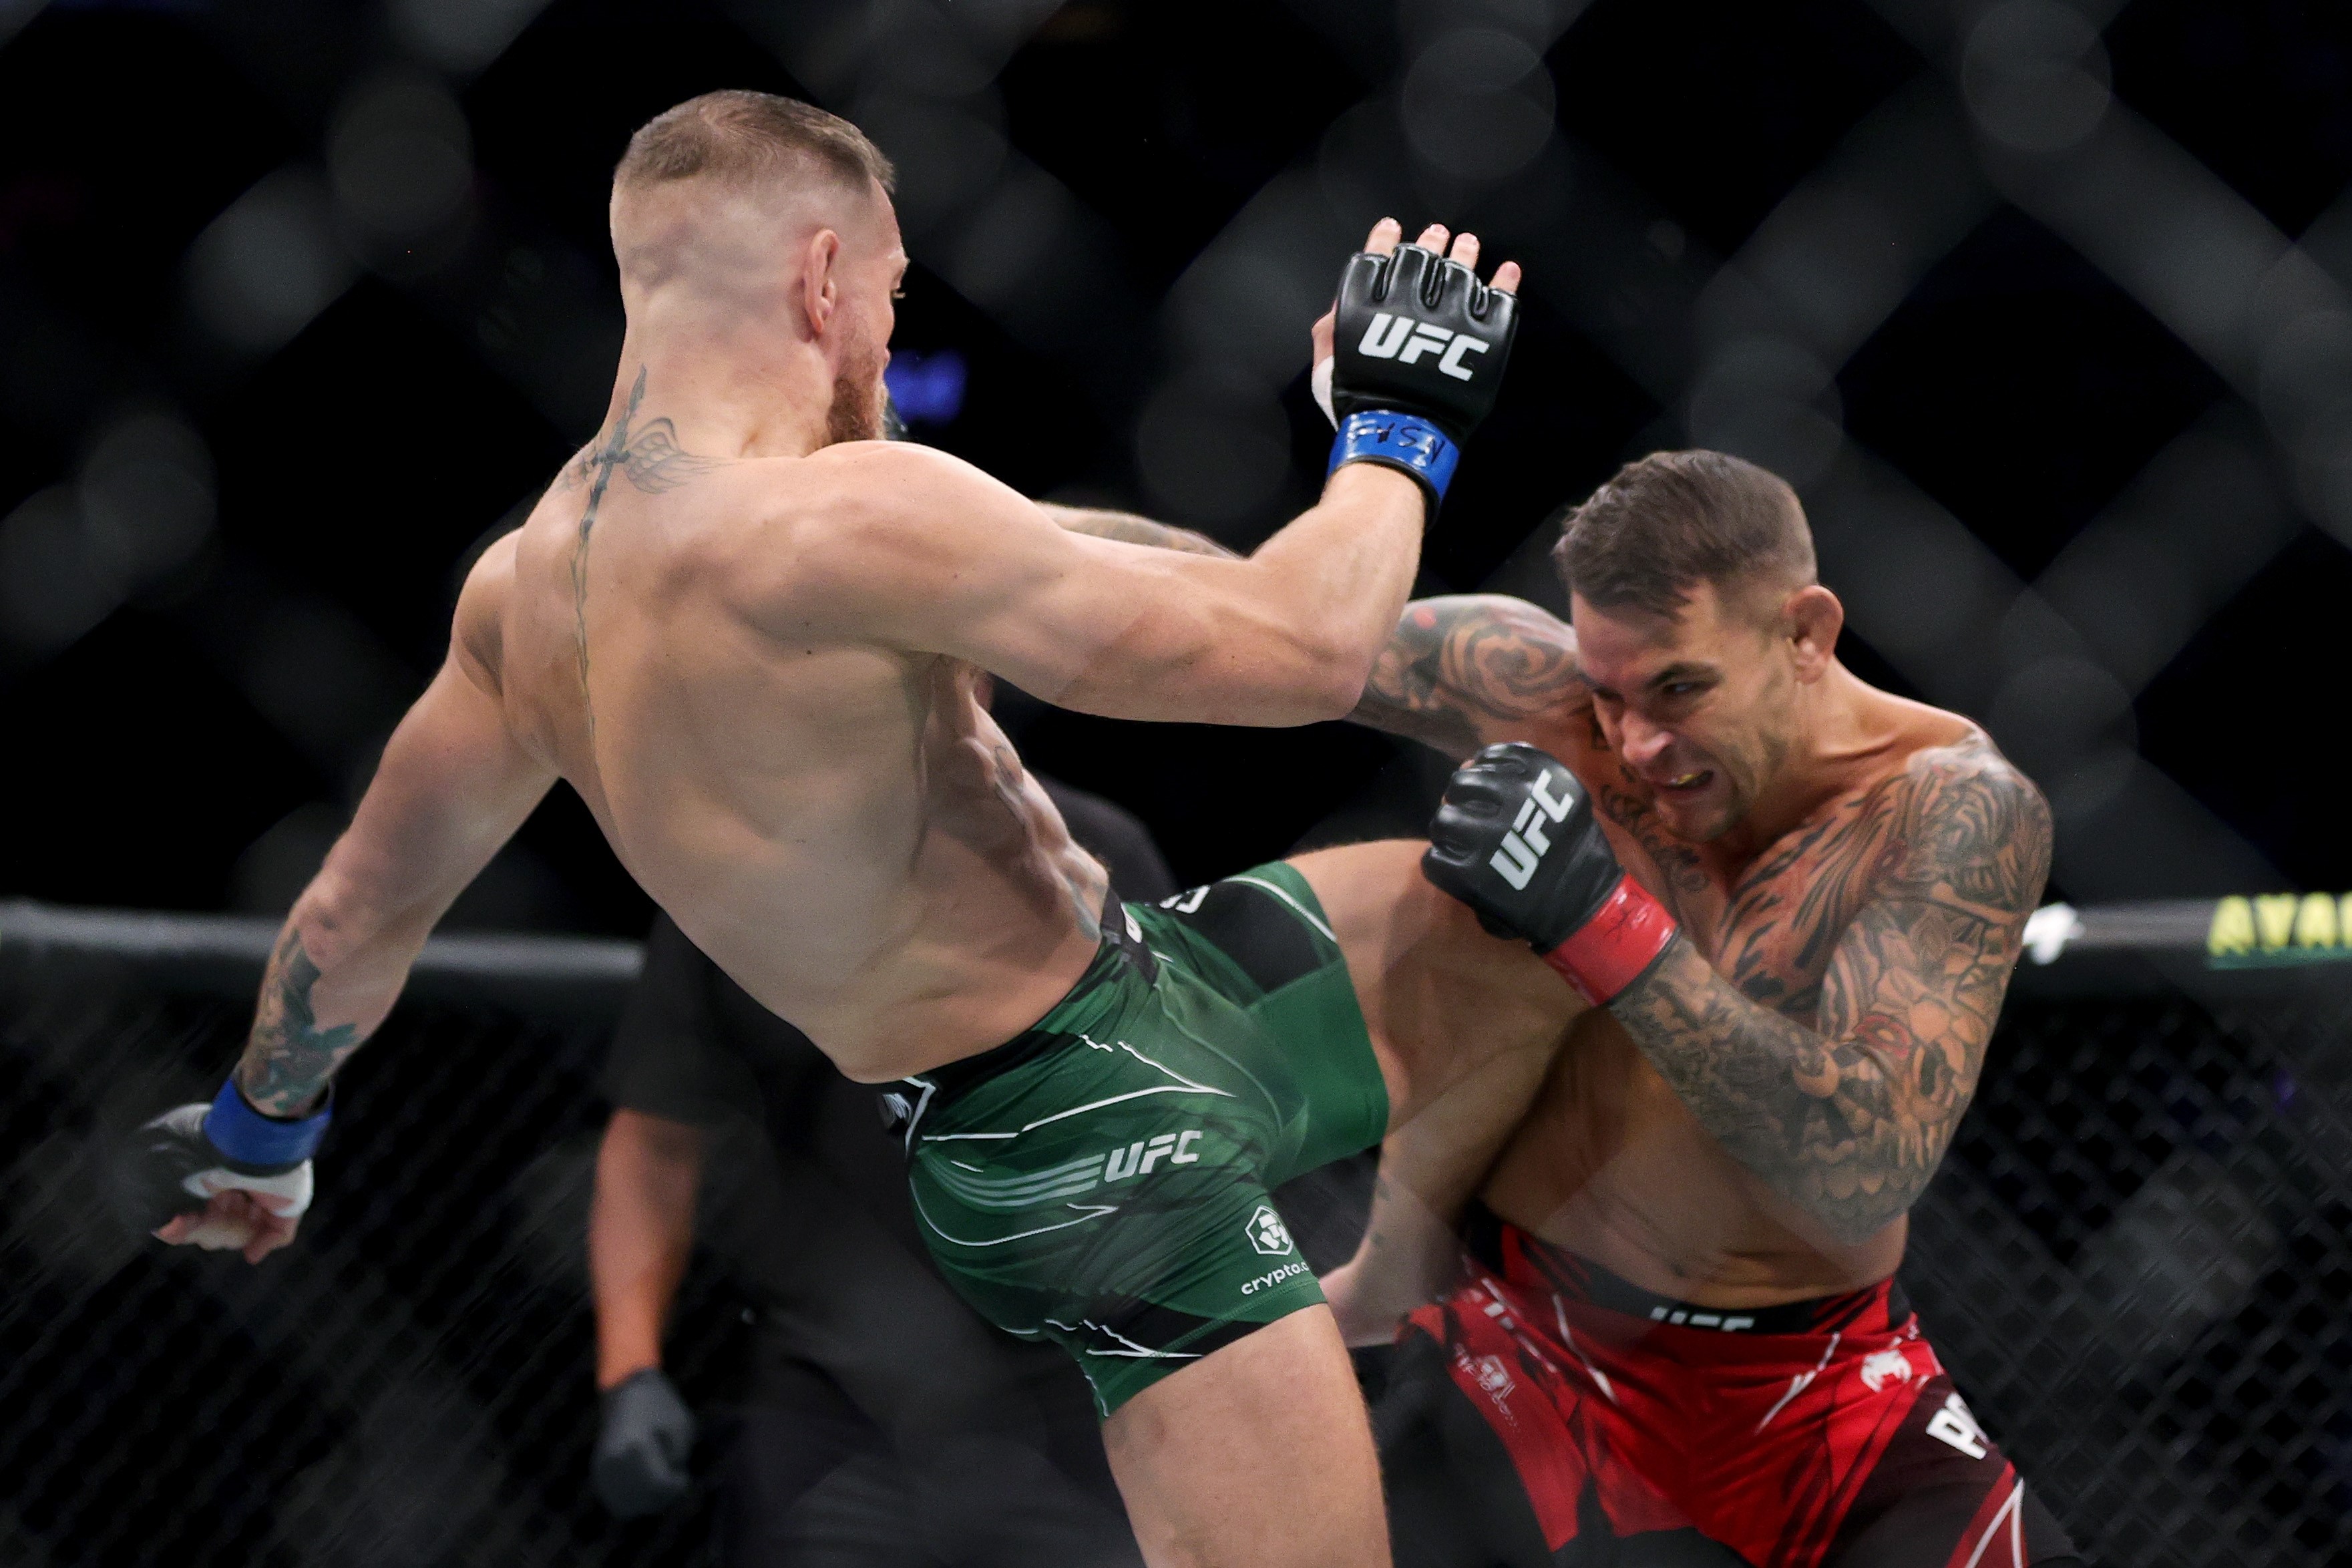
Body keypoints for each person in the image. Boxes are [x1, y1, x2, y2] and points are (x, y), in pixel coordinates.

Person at [121, 89, 1583, 1567]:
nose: (888, 338)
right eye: (889, 293)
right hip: (1094, 1132)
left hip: (1120, 1011)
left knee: (1556, 908)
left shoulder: (521, 598)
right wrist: (1402, 423)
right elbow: (1301, 653)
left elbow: (348, 921)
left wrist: (264, 1133)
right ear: (821, 277)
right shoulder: (833, 523)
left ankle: (1557, 1291)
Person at [1328, 450, 2084, 1567]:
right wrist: (969, 537)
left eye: (1680, 687)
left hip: (1819, 1390)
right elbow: (1235, 611)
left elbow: (1865, 1159)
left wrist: (1602, 921)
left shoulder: (1948, 805)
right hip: (1528, 1343)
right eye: (1608, 691)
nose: (1635, 743)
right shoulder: (1541, 693)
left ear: (1806, 633)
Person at [590, 775, 1172, 1567]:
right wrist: (631, 1371)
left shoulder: (1095, 850)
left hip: (1084, 1393)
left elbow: (1193, 1123)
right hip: (837, 1396)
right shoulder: (740, 876)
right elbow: (657, 1141)